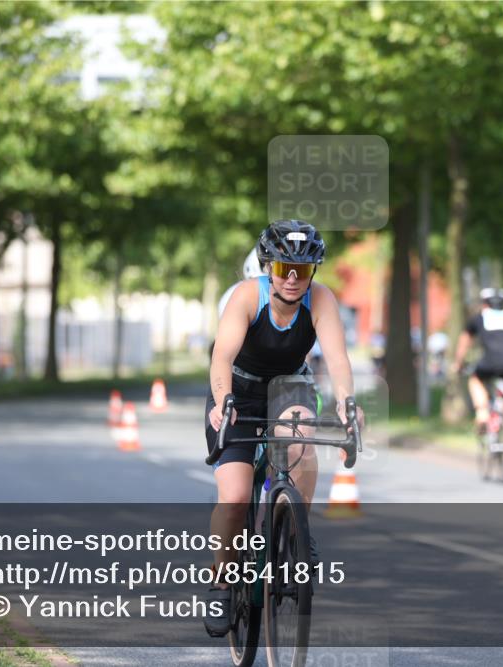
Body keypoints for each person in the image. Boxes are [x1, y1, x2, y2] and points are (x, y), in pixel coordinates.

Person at [202, 219, 362, 637]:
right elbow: (220, 358)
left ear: (313, 273)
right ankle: (222, 583)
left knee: (300, 441)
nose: (293, 279)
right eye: (283, 269)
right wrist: (223, 401)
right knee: (235, 496)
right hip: (237, 388)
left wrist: (347, 405)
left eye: (303, 271)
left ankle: (296, 530)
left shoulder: (321, 300)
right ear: (267, 267)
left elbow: (338, 359)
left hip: (288, 386)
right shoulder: (245, 297)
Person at [451, 288, 503, 470]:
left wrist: (458, 363)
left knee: (475, 379)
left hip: (490, 363)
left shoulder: (480, 318)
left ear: (485, 303)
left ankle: (482, 412)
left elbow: (465, 340)